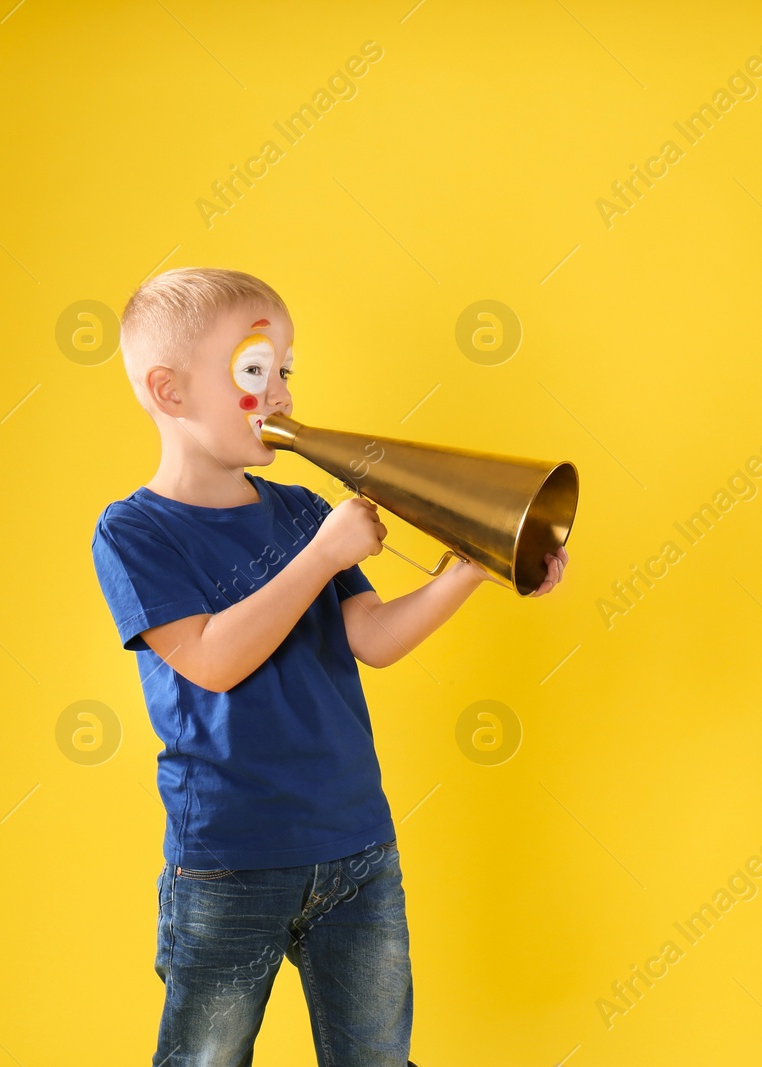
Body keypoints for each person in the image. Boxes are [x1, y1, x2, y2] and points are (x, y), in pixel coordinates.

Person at [89, 267, 568, 1066]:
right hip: (229, 861)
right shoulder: (135, 531)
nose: (278, 393)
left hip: (357, 845)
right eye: (252, 371)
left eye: (284, 370)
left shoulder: (304, 509)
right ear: (169, 392)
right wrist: (318, 558)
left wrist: (474, 566)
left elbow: (372, 637)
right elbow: (209, 660)